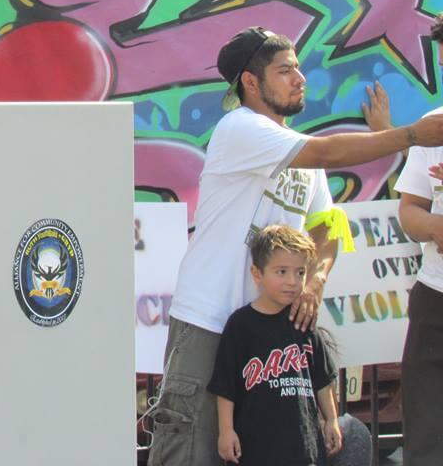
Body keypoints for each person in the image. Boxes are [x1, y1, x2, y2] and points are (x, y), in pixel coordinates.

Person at [148, 26, 443, 466]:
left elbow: (326, 225)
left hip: (271, 331)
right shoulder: (240, 128)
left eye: (299, 68)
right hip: (210, 322)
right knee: (193, 448)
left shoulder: (295, 149)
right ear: (251, 82)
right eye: (285, 70)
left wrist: (315, 282)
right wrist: (411, 135)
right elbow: (327, 153)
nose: (300, 78)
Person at [208, 225, 341, 466]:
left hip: (304, 449)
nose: (292, 281)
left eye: (300, 273)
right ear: (257, 274)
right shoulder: (241, 325)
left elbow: (322, 380)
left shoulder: (303, 321)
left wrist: (331, 419)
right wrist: (226, 431)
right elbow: (225, 386)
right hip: (256, 450)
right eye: (281, 271)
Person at [395, 13, 443, 466]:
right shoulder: (434, 126)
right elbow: (409, 211)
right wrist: (434, 228)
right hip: (435, 298)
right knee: (427, 441)